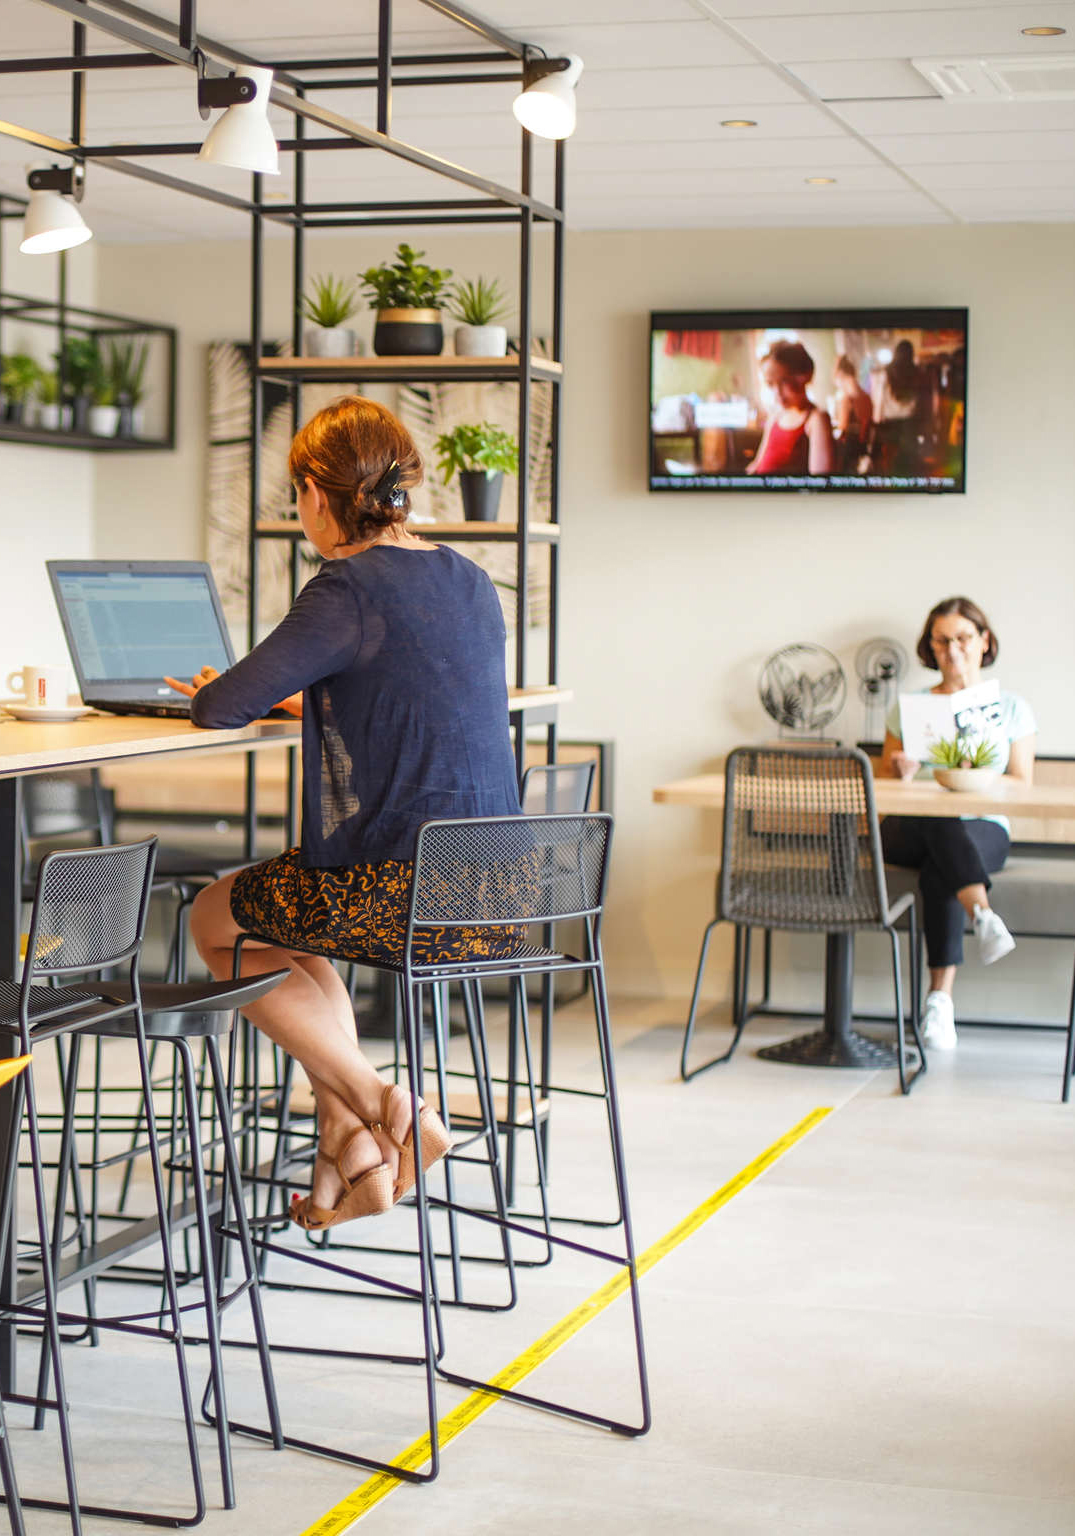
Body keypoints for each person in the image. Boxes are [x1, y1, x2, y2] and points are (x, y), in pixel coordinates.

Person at [167, 396, 524, 1229]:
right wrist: (314, 707)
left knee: (217, 919)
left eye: (298, 499)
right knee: (288, 928)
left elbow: (220, 706)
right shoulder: (467, 579)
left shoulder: (346, 587)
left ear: (319, 495)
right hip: (504, 887)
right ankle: (348, 1145)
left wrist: (232, 694)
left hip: (405, 890)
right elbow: (415, 695)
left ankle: (387, 1105)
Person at [879, 597, 1036, 1050]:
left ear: (984, 641)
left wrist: (976, 777)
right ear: (930, 647)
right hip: (910, 825)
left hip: (981, 827)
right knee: (937, 817)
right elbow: (885, 777)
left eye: (963, 638)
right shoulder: (907, 708)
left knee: (941, 866)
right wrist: (901, 771)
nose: (953, 650)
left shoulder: (1012, 709)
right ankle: (982, 915)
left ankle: (938, 1004)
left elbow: (1023, 783)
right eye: (942, 640)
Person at [746, 340, 834, 476]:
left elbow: (821, 482)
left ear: (804, 376)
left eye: (784, 381)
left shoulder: (816, 420)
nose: (777, 393)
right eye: (770, 384)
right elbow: (758, 463)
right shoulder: (775, 416)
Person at [831, 354, 872, 473]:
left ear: (840, 376)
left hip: (850, 448)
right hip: (863, 445)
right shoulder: (865, 395)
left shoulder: (845, 397)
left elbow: (842, 426)